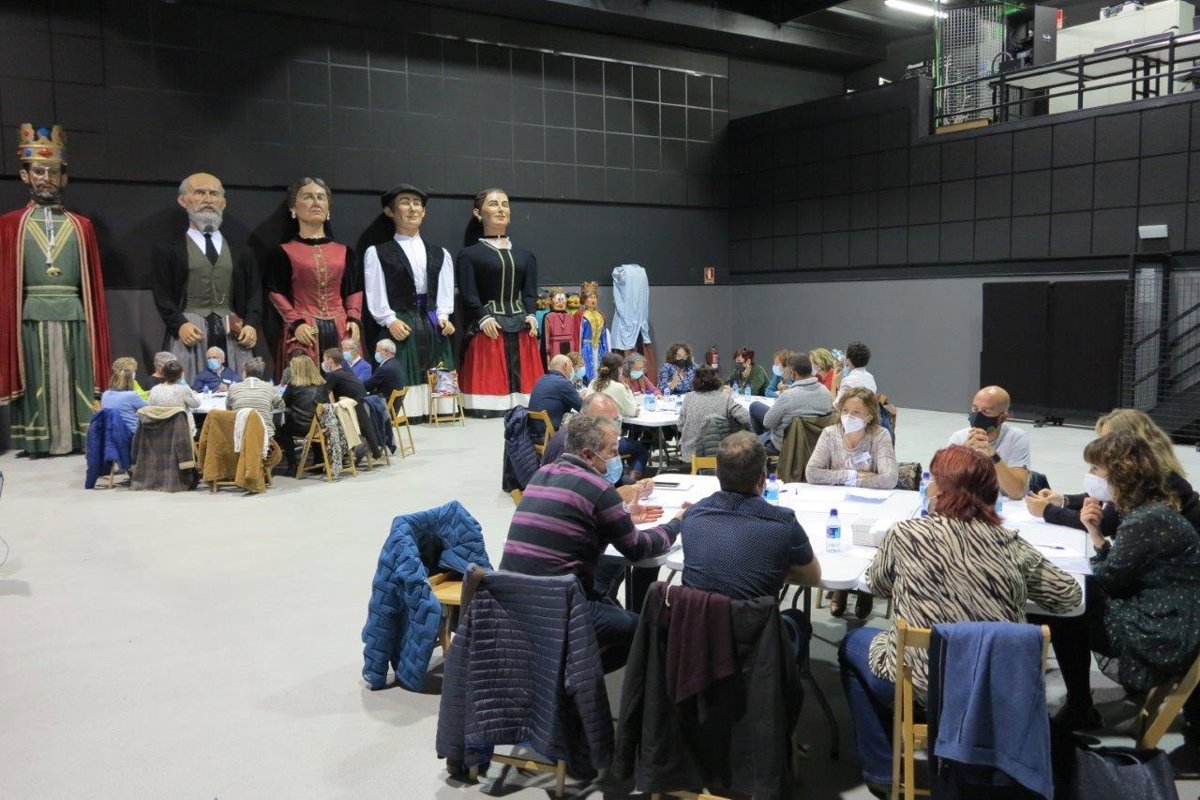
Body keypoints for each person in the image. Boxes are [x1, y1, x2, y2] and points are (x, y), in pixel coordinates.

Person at [839, 445, 1081, 793]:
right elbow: (1069, 595)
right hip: (993, 682)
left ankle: (881, 769)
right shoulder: (1011, 545)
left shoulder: (906, 534)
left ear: (942, 489)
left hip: (920, 679)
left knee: (852, 644)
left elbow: (876, 584)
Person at [1032, 432, 1200, 732]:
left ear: (1120, 474)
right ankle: (1079, 705)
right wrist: (1096, 534)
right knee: (1073, 599)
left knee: (1064, 608)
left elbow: (1110, 578)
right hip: (1172, 615)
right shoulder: (1150, 508)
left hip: (1162, 631)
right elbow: (1117, 572)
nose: (1090, 475)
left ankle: (1079, 708)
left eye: (1095, 469)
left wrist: (1095, 540)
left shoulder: (1145, 519)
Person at [499, 414, 684, 671]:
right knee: (650, 630)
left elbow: (571, 517)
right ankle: (574, 678)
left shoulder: (541, 475)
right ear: (587, 454)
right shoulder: (598, 488)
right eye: (612, 453)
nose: (617, 460)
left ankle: (567, 676)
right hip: (559, 607)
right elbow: (638, 548)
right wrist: (675, 524)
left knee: (613, 609)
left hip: (510, 599)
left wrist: (619, 514)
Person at [2, 123, 111, 457]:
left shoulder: (82, 226)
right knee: (37, 375)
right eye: (39, 171)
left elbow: (89, 281)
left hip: (75, 313)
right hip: (31, 314)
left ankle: (80, 436)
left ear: (64, 177)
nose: (46, 178)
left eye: (53, 172)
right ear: (24, 175)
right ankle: (39, 439)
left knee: (77, 374)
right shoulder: (10, 225)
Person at [682, 431, 821, 657]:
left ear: (717, 473)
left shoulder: (693, 515)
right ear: (763, 479)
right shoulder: (783, 523)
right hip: (755, 650)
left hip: (696, 644)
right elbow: (812, 577)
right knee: (798, 619)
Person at [151, 172, 261, 381]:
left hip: (232, 334)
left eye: (214, 193)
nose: (208, 199)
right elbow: (162, 294)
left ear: (223, 202)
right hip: (191, 332)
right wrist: (180, 324)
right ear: (182, 200)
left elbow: (254, 292)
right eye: (199, 193)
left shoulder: (242, 251)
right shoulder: (167, 250)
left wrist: (251, 324)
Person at [1026, 408, 1200, 536]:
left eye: (1107, 441)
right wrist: (1064, 500)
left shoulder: (1153, 480)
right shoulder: (1153, 469)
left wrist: (1048, 511)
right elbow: (1109, 497)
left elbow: (1105, 522)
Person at [807, 386, 898, 620]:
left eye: (856, 412)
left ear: (869, 416)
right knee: (835, 535)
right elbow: (812, 473)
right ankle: (841, 587)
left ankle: (866, 587)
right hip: (836, 504)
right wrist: (853, 475)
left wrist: (837, 476)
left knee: (865, 537)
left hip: (872, 505)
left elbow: (889, 478)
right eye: (845, 410)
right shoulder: (830, 434)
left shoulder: (879, 435)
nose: (849, 416)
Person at [456, 187, 544, 411]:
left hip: (521, 324)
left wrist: (531, 314)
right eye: (494, 204)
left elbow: (529, 292)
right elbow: (469, 293)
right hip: (489, 326)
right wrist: (483, 317)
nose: (501, 209)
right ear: (478, 213)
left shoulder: (525, 254)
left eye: (505, 204)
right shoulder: (470, 255)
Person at [362, 183, 456, 387]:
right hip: (401, 323)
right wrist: (389, 320)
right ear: (390, 211)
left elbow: (445, 292)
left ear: (424, 211)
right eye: (405, 203)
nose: (412, 208)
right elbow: (375, 292)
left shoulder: (440, 253)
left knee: (440, 380)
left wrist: (443, 316)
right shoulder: (378, 253)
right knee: (403, 379)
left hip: (433, 324)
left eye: (417, 203)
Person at [265, 177, 362, 368]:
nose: (316, 202)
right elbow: (275, 291)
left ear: (328, 208)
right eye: (308, 197)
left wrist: (353, 318)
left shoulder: (345, 252)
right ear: (293, 207)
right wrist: (296, 323)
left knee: (345, 380)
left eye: (321, 197)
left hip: (342, 328)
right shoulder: (283, 252)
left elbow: (354, 290)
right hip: (305, 330)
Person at [947, 385, 1030, 499]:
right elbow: (944, 487)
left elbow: (1017, 492)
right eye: (975, 409)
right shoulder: (958, 438)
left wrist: (993, 456)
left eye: (986, 411)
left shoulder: (1016, 438)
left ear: (1002, 417)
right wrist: (964, 455)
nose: (978, 416)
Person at [753, 354, 833, 455]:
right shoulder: (826, 392)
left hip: (783, 446)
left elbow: (767, 423)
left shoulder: (788, 396)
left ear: (793, 374)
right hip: (815, 446)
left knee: (748, 445)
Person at [589, 352, 650, 480]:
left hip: (590, 437)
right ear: (619, 370)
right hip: (609, 438)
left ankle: (622, 476)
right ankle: (632, 482)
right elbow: (631, 411)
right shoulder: (618, 387)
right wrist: (627, 388)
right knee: (641, 451)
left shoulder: (592, 383)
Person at [677, 365, 751, 461]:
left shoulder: (688, 398)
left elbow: (680, 426)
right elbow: (745, 417)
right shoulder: (724, 398)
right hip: (721, 453)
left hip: (691, 453)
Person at [276, 354, 325, 473]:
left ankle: (292, 465)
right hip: (320, 427)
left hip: (301, 427)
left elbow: (283, 404)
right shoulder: (322, 384)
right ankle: (318, 461)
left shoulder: (293, 386)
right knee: (313, 420)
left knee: (281, 428)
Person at [226, 357, 284, 437]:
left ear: (244, 372)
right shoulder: (269, 387)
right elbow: (281, 405)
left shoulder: (233, 387)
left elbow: (228, 408)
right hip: (265, 436)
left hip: (240, 437)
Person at [528, 354, 583, 433]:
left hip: (535, 430)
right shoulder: (563, 383)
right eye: (571, 367)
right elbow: (582, 407)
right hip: (550, 431)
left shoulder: (541, 380)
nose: (572, 371)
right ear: (565, 366)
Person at [147, 360, 201, 437]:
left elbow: (150, 407)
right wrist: (186, 385)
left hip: (161, 432)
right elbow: (196, 404)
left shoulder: (154, 389)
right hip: (183, 433)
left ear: (163, 373)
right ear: (180, 374)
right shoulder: (183, 390)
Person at [100, 362, 148, 436]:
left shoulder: (105, 394)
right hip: (131, 434)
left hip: (110, 433)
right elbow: (149, 406)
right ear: (130, 381)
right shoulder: (131, 395)